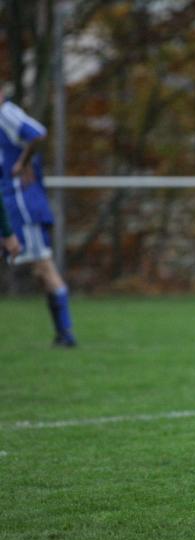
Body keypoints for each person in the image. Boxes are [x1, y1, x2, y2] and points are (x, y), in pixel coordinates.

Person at [0, 88, 77, 347]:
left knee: (43, 267)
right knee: (41, 271)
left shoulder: (6, 114)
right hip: (12, 201)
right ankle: (64, 334)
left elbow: (38, 133)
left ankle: (65, 334)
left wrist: (23, 162)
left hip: (20, 203)